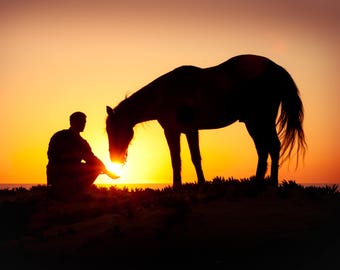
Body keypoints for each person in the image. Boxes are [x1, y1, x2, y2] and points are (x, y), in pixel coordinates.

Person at [47, 111, 117, 198]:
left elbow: (92, 158)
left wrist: (106, 170)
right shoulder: (59, 136)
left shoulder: (83, 142)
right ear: (72, 122)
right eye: (81, 121)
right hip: (58, 170)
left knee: (96, 167)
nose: (84, 124)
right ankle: (61, 189)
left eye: (84, 122)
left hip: (74, 171)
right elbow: (51, 155)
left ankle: (78, 191)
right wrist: (73, 155)